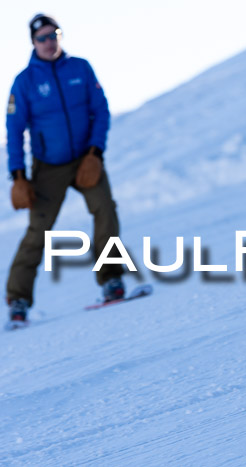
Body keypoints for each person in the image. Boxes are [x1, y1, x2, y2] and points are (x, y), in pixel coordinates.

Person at [5, 14, 125, 329]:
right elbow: (14, 129)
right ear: (33, 43)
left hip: (86, 159)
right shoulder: (25, 81)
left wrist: (96, 152)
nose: (49, 42)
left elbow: (101, 110)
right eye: (42, 37)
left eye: (53, 34)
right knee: (38, 230)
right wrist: (17, 175)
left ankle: (111, 280)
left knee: (105, 210)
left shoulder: (80, 68)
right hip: (48, 167)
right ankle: (18, 300)